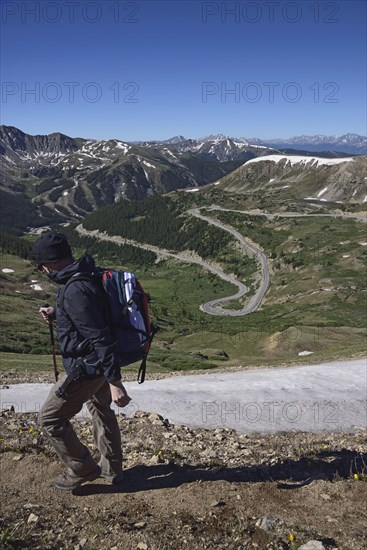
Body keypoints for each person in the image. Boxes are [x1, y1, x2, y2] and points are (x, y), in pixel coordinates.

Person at [33, 232, 131, 491]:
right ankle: (113, 470)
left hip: (87, 367)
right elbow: (90, 318)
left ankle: (82, 467)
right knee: (101, 410)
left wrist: (115, 382)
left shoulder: (74, 289)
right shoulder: (85, 275)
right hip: (96, 365)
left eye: (42, 265)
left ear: (53, 263)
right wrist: (58, 314)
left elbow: (101, 337)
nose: (42, 270)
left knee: (50, 418)